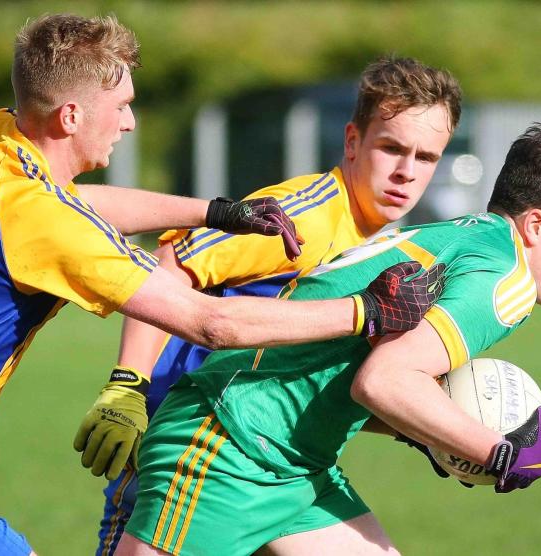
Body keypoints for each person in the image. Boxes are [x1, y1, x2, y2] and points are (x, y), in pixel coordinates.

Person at [0, 14, 445, 556]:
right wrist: (365, 311)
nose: (131, 123)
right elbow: (209, 323)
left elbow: (77, 203)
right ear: (70, 115)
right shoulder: (44, 222)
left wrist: (213, 211)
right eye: (120, 107)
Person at [114, 121, 541, 556]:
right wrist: (499, 453)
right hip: (230, 445)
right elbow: (383, 381)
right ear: (535, 225)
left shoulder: (464, 236)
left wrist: (426, 432)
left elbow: (354, 374)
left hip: (293, 463)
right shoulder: (506, 279)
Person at [74, 55, 463, 555]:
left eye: (426, 157)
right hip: (198, 449)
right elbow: (173, 259)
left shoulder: (387, 246)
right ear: (352, 141)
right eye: (391, 148)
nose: (406, 172)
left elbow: (299, 377)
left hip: (283, 463)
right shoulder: (308, 216)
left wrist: (419, 427)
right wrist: (128, 385)